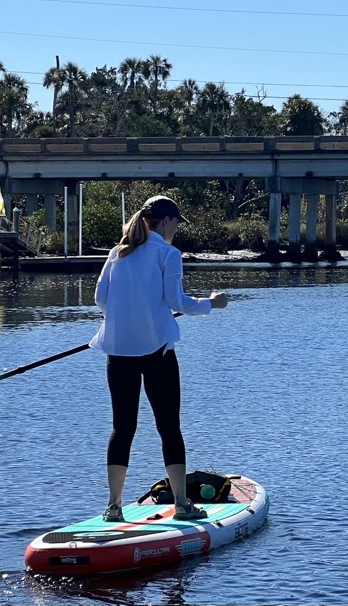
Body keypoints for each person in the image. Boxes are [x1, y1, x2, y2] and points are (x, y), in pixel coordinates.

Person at [89, 195, 228, 522]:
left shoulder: (116, 253)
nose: (177, 229)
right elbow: (176, 301)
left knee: (122, 429)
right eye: (176, 223)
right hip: (157, 355)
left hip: (118, 355)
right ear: (165, 221)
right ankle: (181, 504)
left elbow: (100, 299)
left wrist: (127, 320)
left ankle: (113, 507)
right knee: (169, 427)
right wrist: (211, 303)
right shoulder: (168, 253)